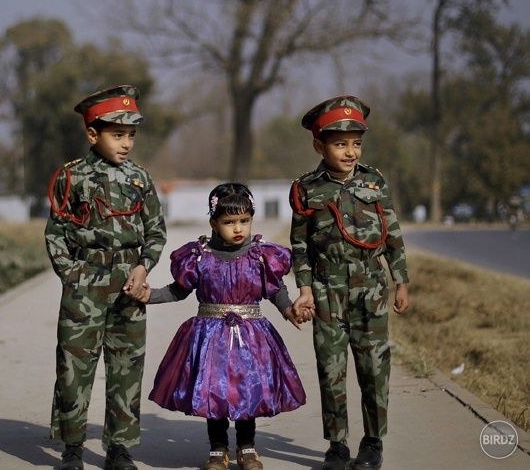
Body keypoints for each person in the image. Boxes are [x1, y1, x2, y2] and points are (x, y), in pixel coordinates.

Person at [135, 183, 314, 470]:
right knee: (213, 392)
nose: (238, 228)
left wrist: (289, 310)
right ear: (214, 223)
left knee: (248, 390)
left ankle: (247, 447)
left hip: (251, 337)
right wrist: (149, 296)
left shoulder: (260, 256)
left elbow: (275, 290)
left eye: (244, 220)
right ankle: (217, 448)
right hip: (209, 337)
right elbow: (178, 290)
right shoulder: (199, 255)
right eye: (229, 222)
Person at [44, 85, 167, 470]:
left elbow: (156, 231)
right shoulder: (72, 176)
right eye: (118, 134)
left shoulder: (140, 179)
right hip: (85, 282)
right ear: (93, 134)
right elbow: (56, 232)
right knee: (75, 364)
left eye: (131, 134)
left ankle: (119, 448)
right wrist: (72, 275)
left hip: (129, 282)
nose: (127, 142)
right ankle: (72, 448)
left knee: (126, 365)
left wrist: (144, 266)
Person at [289, 95, 410, 470]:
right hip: (327, 290)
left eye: (356, 143)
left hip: (371, 287)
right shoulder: (306, 188)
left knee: (374, 367)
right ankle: (337, 445)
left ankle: (373, 443)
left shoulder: (375, 181)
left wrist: (401, 280)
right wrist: (305, 287)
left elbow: (392, 233)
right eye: (340, 144)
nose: (350, 151)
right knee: (331, 369)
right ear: (319, 145)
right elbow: (299, 245)